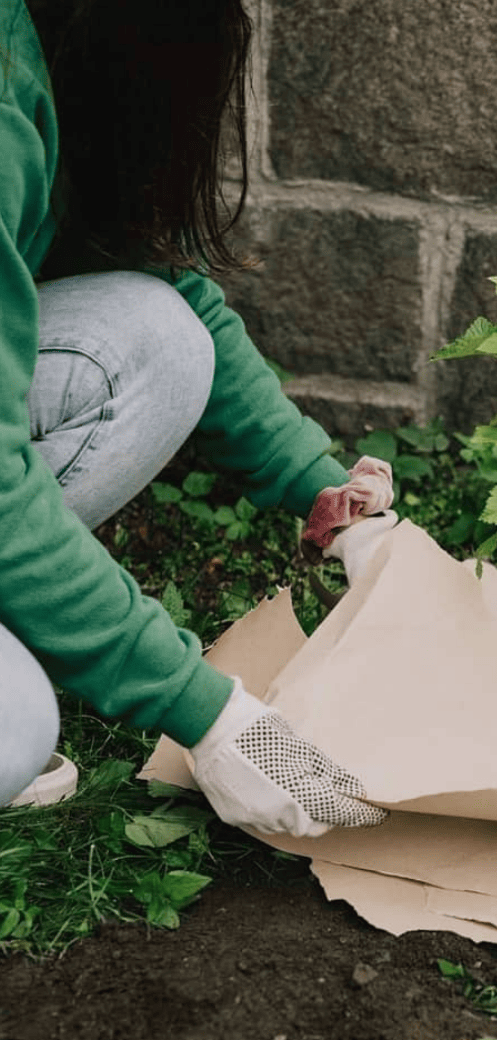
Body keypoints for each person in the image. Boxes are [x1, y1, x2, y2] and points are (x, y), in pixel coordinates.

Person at [0, 0, 393, 835]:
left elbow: (155, 276)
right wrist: (206, 714)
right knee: (13, 732)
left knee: (161, 342)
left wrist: (325, 491)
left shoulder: (62, 51)